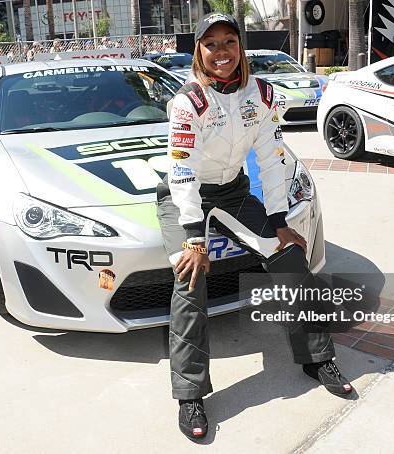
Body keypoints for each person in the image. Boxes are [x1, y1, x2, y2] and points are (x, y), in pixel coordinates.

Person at [156, 12, 353, 442]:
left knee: (292, 261)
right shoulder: (187, 102)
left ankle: (317, 358)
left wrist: (279, 221)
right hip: (183, 198)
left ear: (239, 47)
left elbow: (271, 158)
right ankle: (190, 393)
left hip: (233, 193)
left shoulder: (261, 93)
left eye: (229, 41)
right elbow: (182, 173)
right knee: (189, 282)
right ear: (200, 53)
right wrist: (194, 238)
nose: (222, 51)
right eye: (212, 44)